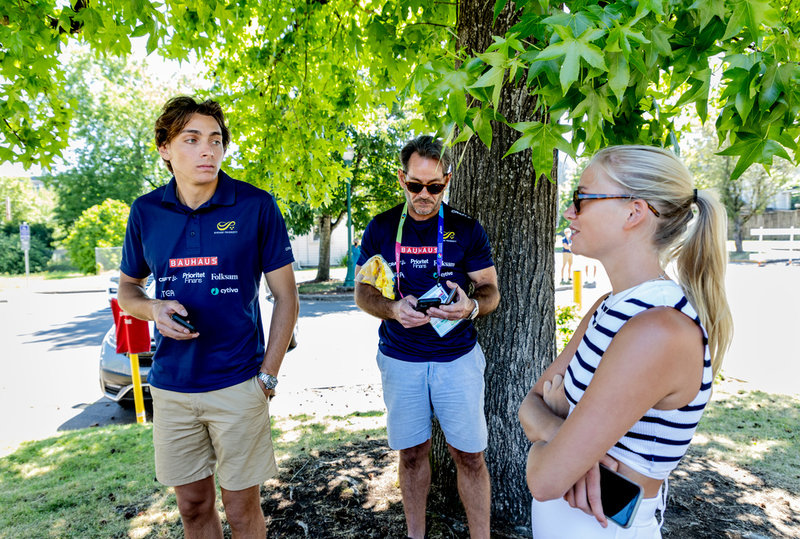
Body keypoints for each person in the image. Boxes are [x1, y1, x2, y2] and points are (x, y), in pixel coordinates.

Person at [519, 145, 733, 537]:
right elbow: (528, 405)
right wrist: (561, 436)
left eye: (581, 198)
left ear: (633, 212)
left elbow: (544, 480)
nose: (568, 212)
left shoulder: (659, 330)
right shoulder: (609, 306)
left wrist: (556, 435)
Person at [117, 96, 299, 538]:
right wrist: (153, 308)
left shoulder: (255, 206)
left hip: (239, 383)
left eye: (215, 140)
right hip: (173, 386)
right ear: (165, 148)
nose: (208, 150)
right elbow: (128, 291)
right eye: (192, 139)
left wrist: (268, 376)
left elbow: (287, 299)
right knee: (193, 508)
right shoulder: (146, 212)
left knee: (241, 508)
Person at [354, 135, 500, 539]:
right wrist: (391, 309)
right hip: (401, 359)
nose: (423, 195)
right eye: (415, 185)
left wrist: (470, 306)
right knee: (413, 455)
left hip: (457, 360)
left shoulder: (466, 229)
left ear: (447, 180)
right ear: (401, 178)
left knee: (470, 457)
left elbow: (490, 291)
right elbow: (363, 292)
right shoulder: (382, 227)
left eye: (434, 186)